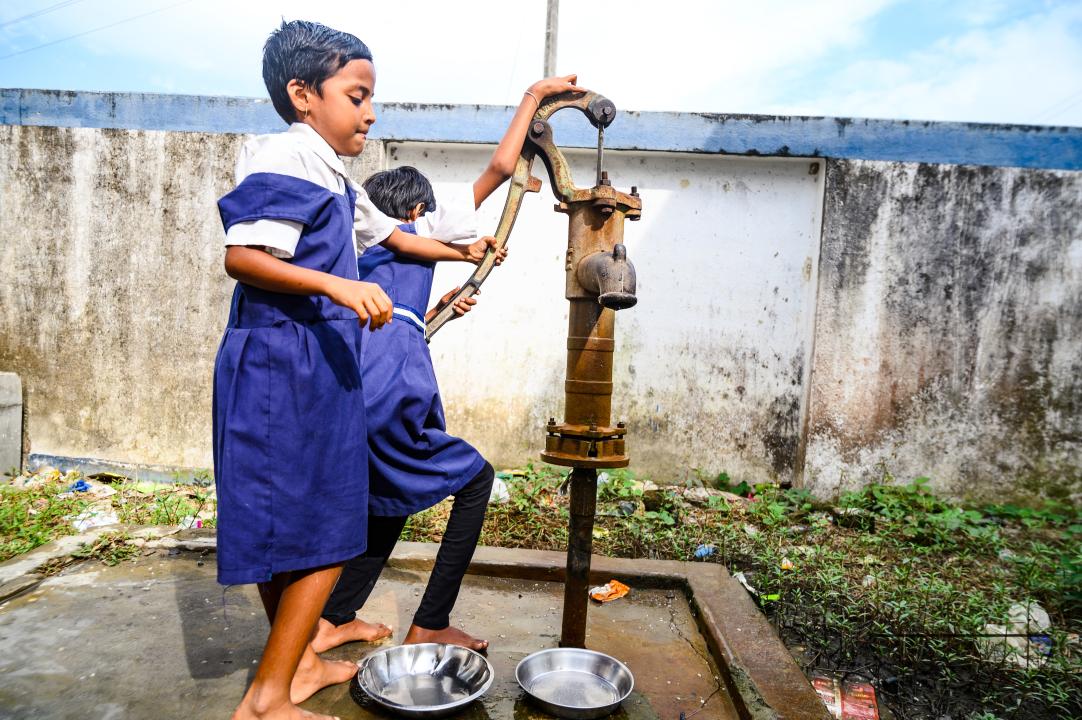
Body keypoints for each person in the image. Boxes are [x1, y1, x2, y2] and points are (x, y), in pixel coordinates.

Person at [214, 20, 500, 719]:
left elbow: (396, 235)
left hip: (310, 362)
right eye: (357, 95)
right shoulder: (285, 154)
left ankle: (300, 663)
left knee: (291, 532)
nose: (370, 112)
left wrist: (463, 253)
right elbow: (244, 257)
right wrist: (340, 287)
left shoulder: (334, 177)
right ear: (303, 94)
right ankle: (265, 701)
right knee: (323, 532)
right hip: (283, 362)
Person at [311, 75, 584, 655]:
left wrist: (434, 312)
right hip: (392, 390)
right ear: (417, 208)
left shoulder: (363, 246)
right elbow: (500, 168)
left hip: (358, 387)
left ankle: (332, 619)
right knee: (476, 479)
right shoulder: (418, 227)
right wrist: (534, 98)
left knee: (387, 505)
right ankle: (431, 622)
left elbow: (393, 320)